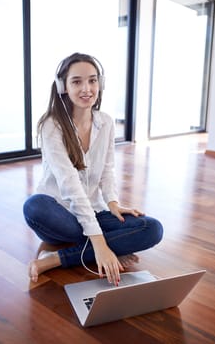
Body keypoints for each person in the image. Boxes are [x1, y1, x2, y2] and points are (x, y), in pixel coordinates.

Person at [23, 52, 163, 286]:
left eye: (92, 80)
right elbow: (69, 184)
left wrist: (113, 204)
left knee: (153, 228)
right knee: (33, 206)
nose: (86, 88)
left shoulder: (105, 122)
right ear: (63, 87)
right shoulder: (51, 125)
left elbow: (108, 171)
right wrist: (101, 242)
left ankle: (56, 259)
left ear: (100, 83)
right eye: (76, 81)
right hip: (59, 213)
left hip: (94, 211)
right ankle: (107, 245)